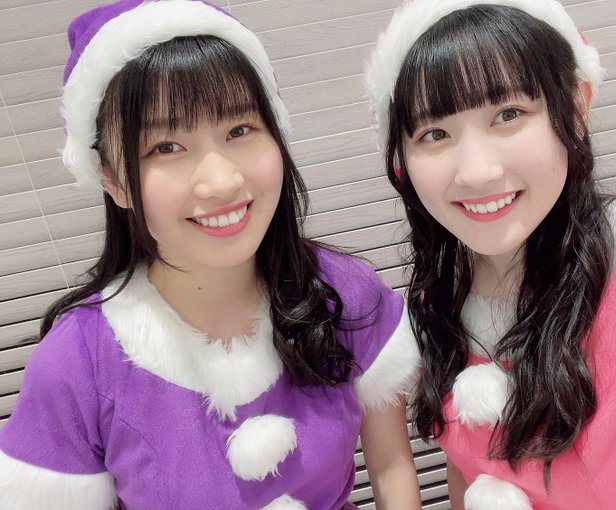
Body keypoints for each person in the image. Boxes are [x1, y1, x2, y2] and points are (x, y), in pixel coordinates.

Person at [0, 1, 423, 509]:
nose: (221, 181)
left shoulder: (341, 293)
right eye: (165, 147)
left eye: (239, 130)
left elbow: (391, 466)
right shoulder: (77, 363)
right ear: (111, 180)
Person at [365, 0, 616, 508]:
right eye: (435, 134)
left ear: (575, 107)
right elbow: (469, 475)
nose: (477, 172)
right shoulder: (437, 306)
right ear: (403, 160)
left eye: (508, 114)